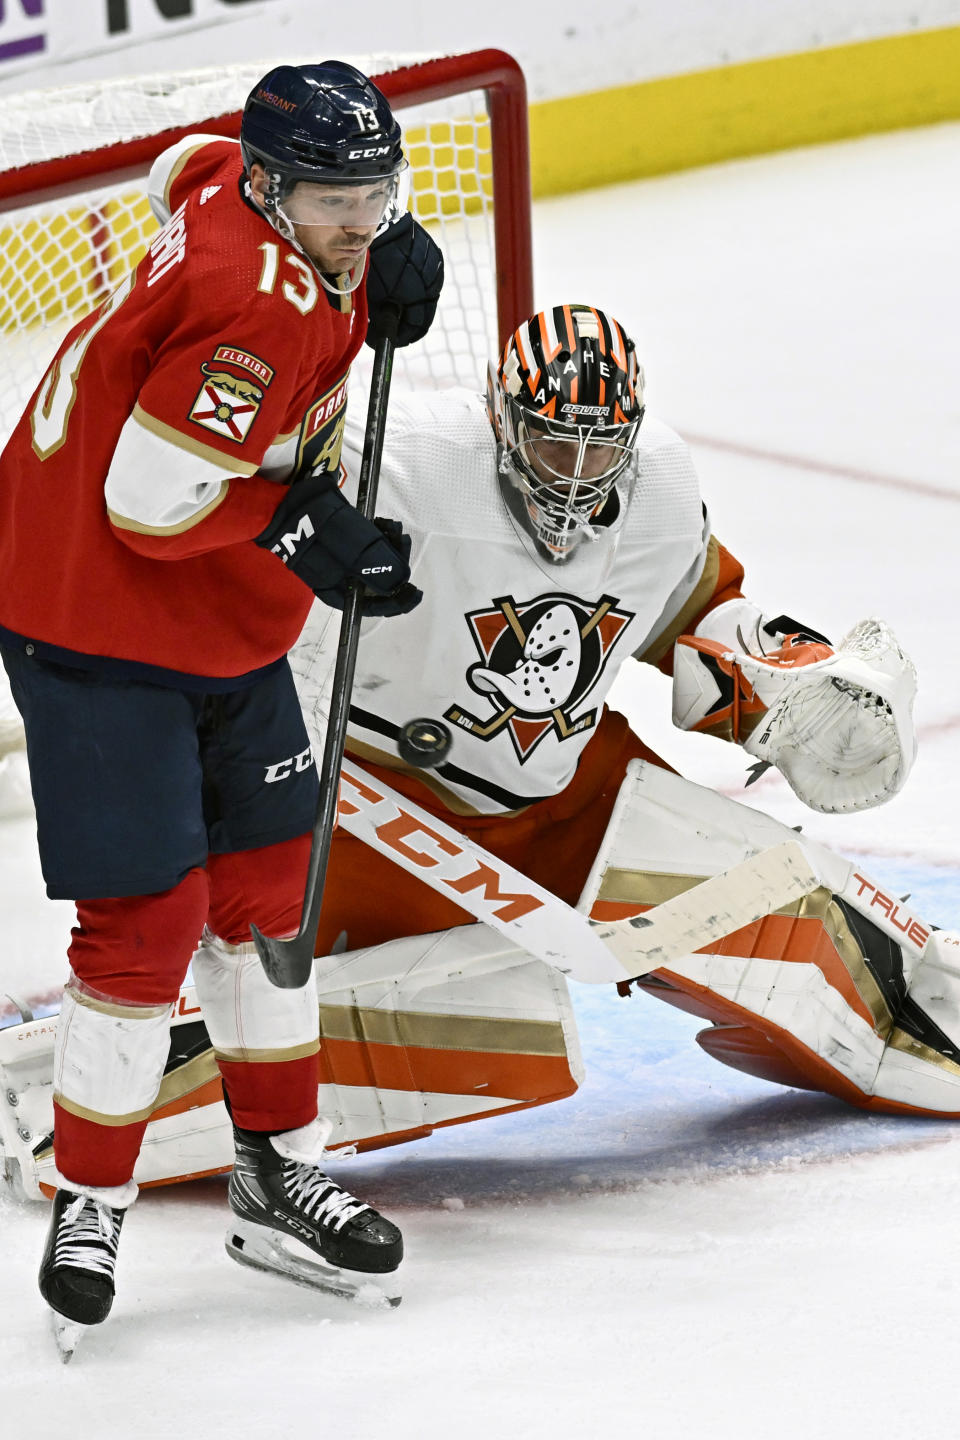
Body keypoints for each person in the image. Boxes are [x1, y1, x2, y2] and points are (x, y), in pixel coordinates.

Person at [0, 59, 443, 1344]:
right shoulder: (260, 310)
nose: (360, 223)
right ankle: (94, 1198)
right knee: (149, 926)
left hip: (215, 620)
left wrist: (373, 250)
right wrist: (312, 530)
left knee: (263, 903)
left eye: (377, 193)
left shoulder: (221, 183)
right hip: (92, 616)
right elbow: (147, 505)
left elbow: (178, 159)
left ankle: (276, 1171)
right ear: (271, 186)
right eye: (332, 200)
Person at [288, 302, 960, 1121]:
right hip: (375, 812)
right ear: (501, 418)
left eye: (599, 445)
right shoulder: (396, 466)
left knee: (791, 912)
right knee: (465, 1024)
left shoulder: (659, 495)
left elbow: (689, 610)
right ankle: (149, 1080)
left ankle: (925, 996)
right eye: (552, 440)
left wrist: (785, 682)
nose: (574, 470)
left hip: (570, 796)